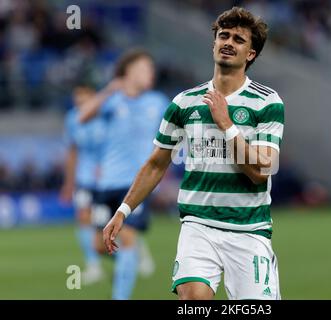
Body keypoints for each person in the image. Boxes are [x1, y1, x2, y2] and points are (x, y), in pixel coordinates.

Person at [103, 7, 284, 300]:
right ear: (213, 43)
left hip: (248, 229)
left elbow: (260, 171)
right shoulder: (184, 102)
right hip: (198, 225)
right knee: (193, 298)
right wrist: (123, 211)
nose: (228, 42)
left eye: (238, 39)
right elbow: (155, 165)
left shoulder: (267, 103)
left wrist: (226, 125)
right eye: (223, 36)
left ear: (250, 54)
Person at [79, 49, 169, 299]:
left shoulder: (158, 101)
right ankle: (132, 258)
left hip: (136, 185)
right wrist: (110, 89)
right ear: (129, 71)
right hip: (106, 182)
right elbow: (83, 116)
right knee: (99, 246)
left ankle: (121, 293)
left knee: (127, 238)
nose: (151, 73)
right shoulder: (113, 100)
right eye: (145, 68)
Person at [61, 82, 105, 285]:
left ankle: (136, 251)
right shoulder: (72, 119)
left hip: (108, 176)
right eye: (76, 96)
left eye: (84, 96)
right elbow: (72, 151)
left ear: (94, 96)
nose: (79, 101)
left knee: (111, 221)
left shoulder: (106, 115)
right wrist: (69, 182)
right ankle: (93, 265)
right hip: (84, 177)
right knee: (83, 216)